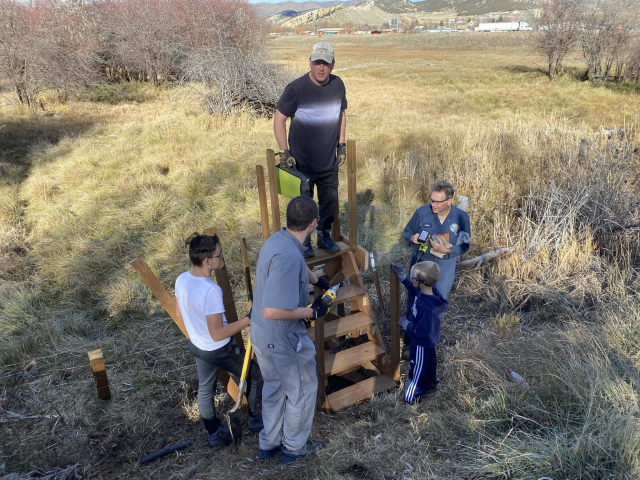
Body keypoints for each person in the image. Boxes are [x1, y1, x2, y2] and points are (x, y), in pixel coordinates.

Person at [250, 195, 330, 464]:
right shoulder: (286, 255)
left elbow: (298, 263)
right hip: (280, 335)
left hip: (261, 334)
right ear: (314, 223)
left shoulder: (279, 239)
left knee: (274, 386)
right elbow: (272, 310)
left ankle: (269, 443)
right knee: (303, 388)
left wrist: (318, 279)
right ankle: (294, 447)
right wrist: (312, 312)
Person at [175, 233, 263, 448]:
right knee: (253, 374)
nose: (221, 258)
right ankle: (255, 420)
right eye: (219, 255)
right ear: (207, 261)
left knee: (206, 389)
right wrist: (247, 320)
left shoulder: (182, 279)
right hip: (217, 349)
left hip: (196, 345)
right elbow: (218, 334)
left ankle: (213, 434)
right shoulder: (211, 290)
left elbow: (179, 312)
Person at [274, 41, 347, 258]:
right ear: (310, 62)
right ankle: (303, 242)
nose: (321, 68)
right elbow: (279, 120)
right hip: (302, 161)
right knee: (303, 205)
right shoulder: (296, 88)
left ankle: (324, 236)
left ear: (333, 64)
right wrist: (284, 152)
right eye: (317, 63)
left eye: (325, 63)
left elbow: (341, 113)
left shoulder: (338, 85)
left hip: (328, 160)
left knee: (329, 201)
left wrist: (341, 144)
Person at [401, 181, 470, 359]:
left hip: (444, 269)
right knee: (415, 303)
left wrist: (448, 250)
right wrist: (412, 238)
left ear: (449, 201)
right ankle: (410, 344)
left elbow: (465, 245)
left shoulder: (461, 217)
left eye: (438, 202)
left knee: (436, 305)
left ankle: (429, 344)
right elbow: (406, 232)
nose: (434, 204)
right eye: (432, 200)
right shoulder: (421, 212)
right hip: (421, 266)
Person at [391, 261, 449, 402]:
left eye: (413, 277)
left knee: (417, 368)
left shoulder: (426, 307)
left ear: (421, 282)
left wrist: (406, 324)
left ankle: (411, 397)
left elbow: (422, 331)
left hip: (422, 342)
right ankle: (430, 383)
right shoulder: (427, 291)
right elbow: (412, 287)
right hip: (429, 341)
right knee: (428, 363)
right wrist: (402, 275)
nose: (411, 279)